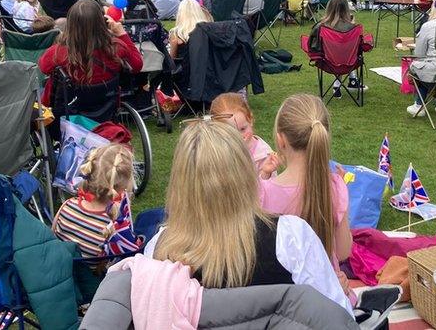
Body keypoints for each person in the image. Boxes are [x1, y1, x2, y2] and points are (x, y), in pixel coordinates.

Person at [142, 120, 351, 313]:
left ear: (180, 182)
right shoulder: (290, 238)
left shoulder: (157, 250)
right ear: (244, 172)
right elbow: (336, 316)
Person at [260, 94, 353, 267]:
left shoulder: (262, 193)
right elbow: (343, 251)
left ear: (281, 140)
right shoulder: (335, 186)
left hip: (284, 292)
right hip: (327, 290)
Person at [38, 0, 143, 107]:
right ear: (102, 21)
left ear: (70, 24)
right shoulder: (116, 47)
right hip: (105, 106)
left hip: (68, 109)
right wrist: (122, 34)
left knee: (42, 88)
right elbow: (137, 65)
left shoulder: (58, 52)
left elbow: (44, 68)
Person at [52, 143, 140, 258]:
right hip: (94, 275)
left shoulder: (67, 206)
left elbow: (52, 237)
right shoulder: (113, 225)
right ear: (123, 186)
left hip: (60, 269)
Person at [210, 93, 279, 179]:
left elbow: (269, 189)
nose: (239, 137)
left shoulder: (264, 155)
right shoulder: (215, 151)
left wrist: (265, 173)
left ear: (250, 120)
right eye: (231, 132)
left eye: (243, 129)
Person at [307, 0, 364, 97]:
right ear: (346, 9)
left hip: (327, 62)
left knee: (337, 55)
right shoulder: (354, 28)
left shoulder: (320, 27)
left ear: (329, 8)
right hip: (350, 62)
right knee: (344, 53)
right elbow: (360, 48)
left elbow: (312, 46)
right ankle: (352, 80)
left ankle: (342, 84)